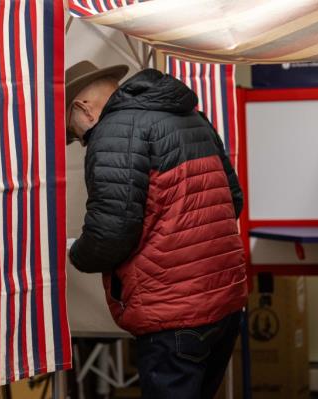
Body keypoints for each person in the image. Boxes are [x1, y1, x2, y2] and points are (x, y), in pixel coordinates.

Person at [66, 61, 248, 399]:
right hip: (224, 304)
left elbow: (110, 235)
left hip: (173, 314)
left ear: (83, 108)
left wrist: (77, 251)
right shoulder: (193, 116)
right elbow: (232, 199)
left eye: (74, 131)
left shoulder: (113, 131)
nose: (80, 139)